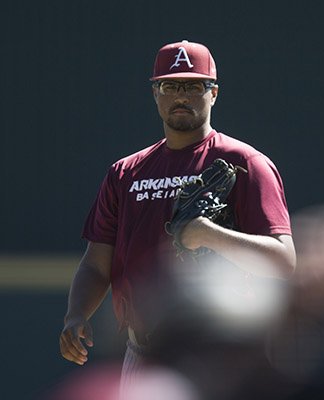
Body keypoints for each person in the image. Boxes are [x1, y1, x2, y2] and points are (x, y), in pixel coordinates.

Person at [58, 40, 296, 392]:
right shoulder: (126, 174)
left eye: (194, 86)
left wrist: (209, 234)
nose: (180, 96)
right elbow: (96, 263)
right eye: (170, 86)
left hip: (223, 353)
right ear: (155, 94)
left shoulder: (247, 164)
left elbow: (283, 259)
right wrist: (76, 313)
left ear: (213, 93)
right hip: (144, 351)